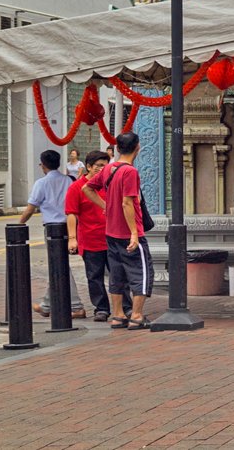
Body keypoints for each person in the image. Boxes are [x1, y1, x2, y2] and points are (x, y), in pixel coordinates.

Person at [83, 129, 152, 329]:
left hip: (110, 232)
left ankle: (118, 315)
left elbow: (86, 188)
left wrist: (105, 207)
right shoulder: (130, 171)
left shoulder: (109, 169)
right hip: (128, 233)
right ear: (137, 147)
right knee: (141, 272)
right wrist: (133, 233)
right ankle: (137, 316)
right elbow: (127, 203)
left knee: (117, 274)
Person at [19, 149, 82, 319]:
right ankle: (47, 305)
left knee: (59, 265)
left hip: (53, 228)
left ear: (43, 165)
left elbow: (30, 208)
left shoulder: (41, 183)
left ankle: (75, 306)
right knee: (59, 264)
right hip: (71, 227)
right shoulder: (70, 180)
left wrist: (18, 224)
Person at [65, 150, 112, 322]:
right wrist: (72, 238)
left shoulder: (110, 184)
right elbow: (71, 213)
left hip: (112, 237)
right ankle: (101, 308)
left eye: (105, 165)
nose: (102, 168)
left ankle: (125, 307)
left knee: (118, 274)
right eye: (98, 166)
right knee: (94, 276)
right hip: (90, 239)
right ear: (89, 167)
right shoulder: (77, 187)